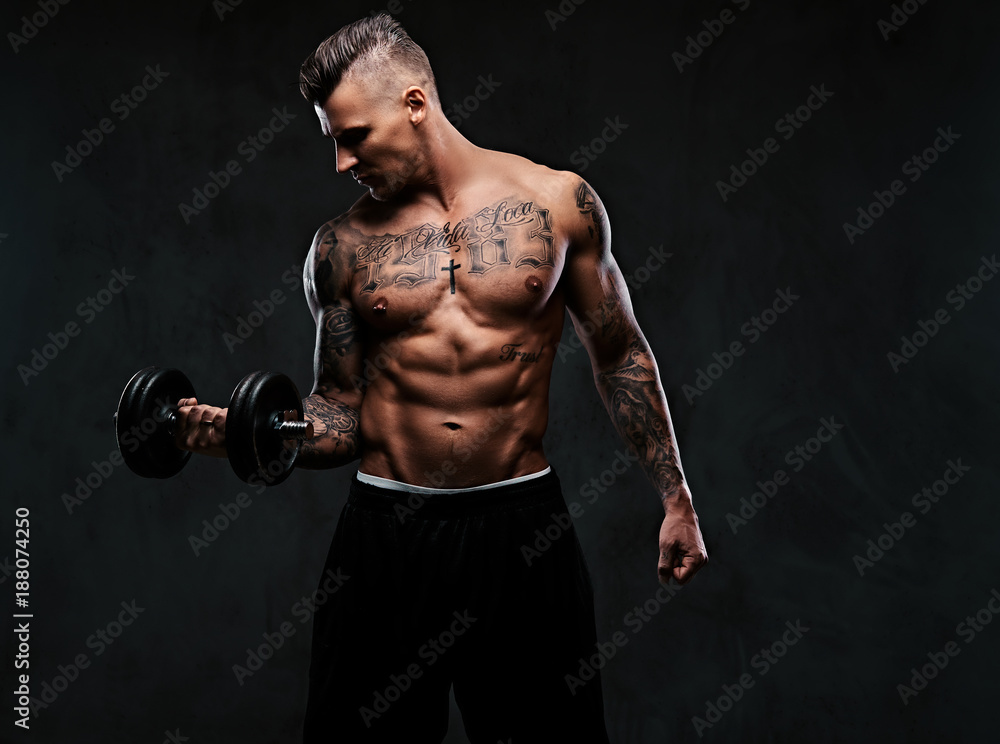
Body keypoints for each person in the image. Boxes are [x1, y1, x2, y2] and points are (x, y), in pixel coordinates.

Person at [173, 12, 707, 743]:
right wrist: (249, 433)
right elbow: (338, 415)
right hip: (385, 538)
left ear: (415, 103)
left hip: (522, 532)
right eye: (332, 142)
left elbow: (620, 355)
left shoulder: (557, 204)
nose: (340, 164)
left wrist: (676, 498)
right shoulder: (341, 248)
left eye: (352, 137)